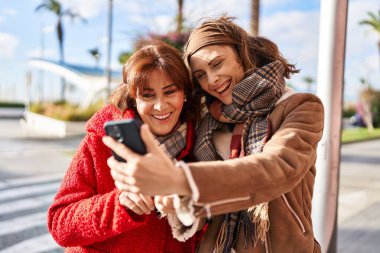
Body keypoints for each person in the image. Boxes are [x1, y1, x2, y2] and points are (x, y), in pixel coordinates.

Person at [103, 16, 324, 253]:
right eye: (200, 75)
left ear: (241, 54)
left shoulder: (300, 106)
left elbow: (277, 168)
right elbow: (204, 210)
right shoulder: (209, 119)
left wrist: (182, 180)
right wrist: (177, 202)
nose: (212, 80)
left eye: (217, 64)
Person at [47, 40, 203, 253]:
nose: (160, 105)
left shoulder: (202, 145)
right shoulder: (102, 141)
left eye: (169, 92)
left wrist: (186, 208)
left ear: (185, 93)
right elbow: (60, 224)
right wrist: (119, 204)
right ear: (134, 98)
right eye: (148, 95)